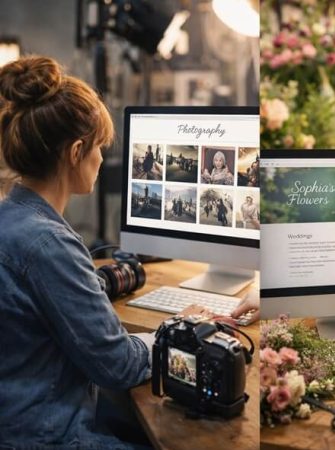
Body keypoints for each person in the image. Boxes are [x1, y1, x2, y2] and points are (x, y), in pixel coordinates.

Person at [0, 56, 205, 449]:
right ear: (76, 151)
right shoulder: (48, 244)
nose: (102, 159)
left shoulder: (12, 217)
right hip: (48, 435)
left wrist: (98, 283)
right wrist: (179, 328)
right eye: (99, 148)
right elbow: (120, 365)